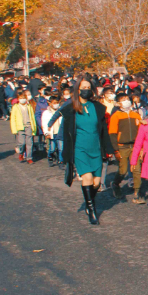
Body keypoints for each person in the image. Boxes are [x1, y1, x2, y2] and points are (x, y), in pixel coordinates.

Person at [59, 77, 115, 225]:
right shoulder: (70, 110)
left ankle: (88, 201)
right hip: (80, 149)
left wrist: (110, 149)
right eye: (82, 87)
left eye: (88, 87)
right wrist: (65, 155)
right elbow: (67, 134)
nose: (85, 90)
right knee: (88, 178)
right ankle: (92, 210)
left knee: (96, 183)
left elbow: (103, 131)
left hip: (96, 148)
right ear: (77, 90)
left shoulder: (97, 108)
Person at [109, 93, 143, 200]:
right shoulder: (116, 116)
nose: (126, 101)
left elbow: (140, 132)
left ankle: (137, 192)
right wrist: (116, 150)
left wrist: (141, 146)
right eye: (123, 100)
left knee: (137, 169)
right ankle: (116, 184)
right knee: (123, 170)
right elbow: (112, 133)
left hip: (134, 146)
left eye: (127, 99)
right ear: (118, 103)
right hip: (122, 146)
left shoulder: (136, 115)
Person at [10, 90, 37, 164]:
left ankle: (29, 158)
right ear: (18, 99)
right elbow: (13, 119)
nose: (23, 99)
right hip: (20, 127)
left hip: (29, 126)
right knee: (21, 143)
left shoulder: (29, 106)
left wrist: (33, 127)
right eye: (21, 98)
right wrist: (14, 129)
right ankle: (21, 153)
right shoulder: (16, 107)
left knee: (29, 143)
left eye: (24, 97)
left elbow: (32, 117)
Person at [42, 96, 62, 167]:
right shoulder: (46, 113)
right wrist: (46, 132)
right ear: (50, 103)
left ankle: (61, 162)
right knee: (52, 148)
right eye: (54, 103)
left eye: (57, 103)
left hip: (60, 132)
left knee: (61, 148)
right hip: (52, 133)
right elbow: (44, 124)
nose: (56, 104)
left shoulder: (61, 111)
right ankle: (50, 156)